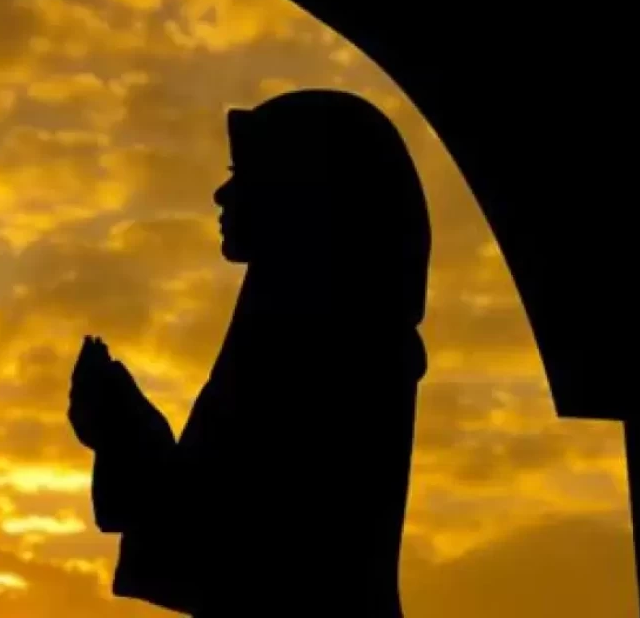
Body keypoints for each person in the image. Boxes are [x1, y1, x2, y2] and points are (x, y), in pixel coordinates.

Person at [68, 89, 432, 617]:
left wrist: (126, 436)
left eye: (244, 174)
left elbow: (238, 546)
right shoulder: (317, 336)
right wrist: (125, 435)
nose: (222, 194)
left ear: (303, 192)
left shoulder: (328, 349)